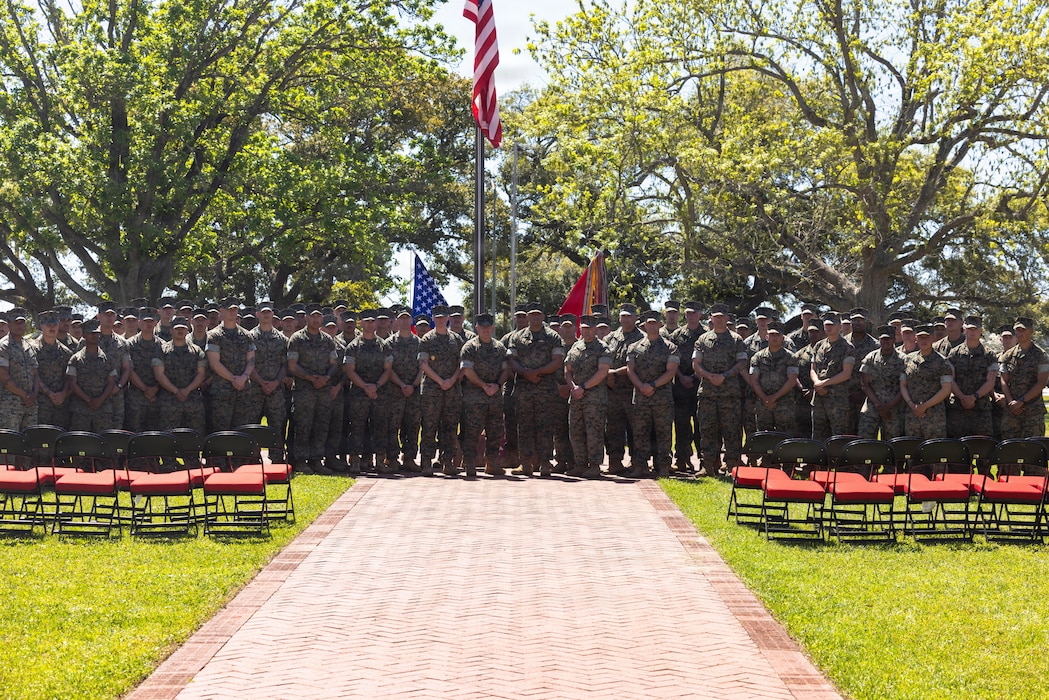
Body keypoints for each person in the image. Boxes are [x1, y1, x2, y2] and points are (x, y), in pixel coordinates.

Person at [507, 302, 565, 476]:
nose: (534, 317)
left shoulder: (553, 336)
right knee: (524, 427)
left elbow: (557, 360)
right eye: (531, 315)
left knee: (545, 427)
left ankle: (545, 463)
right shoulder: (517, 337)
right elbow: (511, 359)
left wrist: (537, 372)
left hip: (545, 389)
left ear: (543, 316)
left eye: (538, 314)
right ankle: (525, 463)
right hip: (524, 389)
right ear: (527, 317)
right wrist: (525, 373)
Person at [692, 303, 748, 478]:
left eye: (722, 317)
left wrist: (724, 375)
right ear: (711, 319)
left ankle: (732, 466)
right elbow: (696, 364)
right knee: (707, 430)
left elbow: (742, 363)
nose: (719, 319)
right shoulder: (702, 339)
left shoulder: (736, 339)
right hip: (708, 393)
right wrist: (710, 376)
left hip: (729, 393)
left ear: (727, 318)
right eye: (715, 316)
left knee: (731, 431)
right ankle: (708, 466)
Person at [625, 311, 679, 478]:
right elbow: (630, 370)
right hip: (641, 398)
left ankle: (663, 466)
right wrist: (641, 386)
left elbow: (671, 371)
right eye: (649, 323)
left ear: (660, 325)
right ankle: (640, 466)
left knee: (664, 433)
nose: (652, 326)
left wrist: (652, 385)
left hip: (662, 399)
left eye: (655, 323)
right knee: (640, 433)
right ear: (644, 325)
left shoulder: (671, 347)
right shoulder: (634, 347)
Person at [287, 304, 339, 473]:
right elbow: (293, 366)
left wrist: (326, 378)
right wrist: (310, 378)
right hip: (304, 390)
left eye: (318, 316)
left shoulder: (328, 340)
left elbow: (334, 364)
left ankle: (316, 460)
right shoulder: (297, 339)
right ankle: (301, 461)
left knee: (321, 425)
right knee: (303, 425)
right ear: (307, 318)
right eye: (313, 316)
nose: (316, 319)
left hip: (323, 390)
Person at [459, 313, 509, 477]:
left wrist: (497, 385)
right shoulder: (469, 347)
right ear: (477, 328)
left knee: (495, 431)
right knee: (472, 431)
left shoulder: (499, 348)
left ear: (493, 328)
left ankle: (492, 463)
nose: (486, 330)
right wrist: (483, 386)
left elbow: (505, 370)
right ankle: (470, 462)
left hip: (494, 397)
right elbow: (467, 370)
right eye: (482, 327)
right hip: (474, 397)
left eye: (488, 327)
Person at [344, 309, 393, 474]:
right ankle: (356, 461)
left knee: (380, 427)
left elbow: (388, 369)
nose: (370, 324)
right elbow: (350, 370)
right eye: (367, 321)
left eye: (373, 321)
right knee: (357, 428)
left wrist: (376, 386)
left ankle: (379, 461)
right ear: (361, 323)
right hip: (359, 393)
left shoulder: (383, 346)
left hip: (380, 393)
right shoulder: (353, 346)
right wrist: (366, 387)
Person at [418, 305, 464, 476]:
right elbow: (423, 364)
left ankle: (448, 461)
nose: (440, 320)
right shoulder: (427, 339)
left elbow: (462, 364)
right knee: (429, 426)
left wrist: (451, 380)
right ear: (433, 318)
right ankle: (427, 462)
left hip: (452, 390)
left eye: (443, 317)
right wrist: (440, 381)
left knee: (450, 427)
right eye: (437, 317)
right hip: (432, 390)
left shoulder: (456, 339)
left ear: (448, 318)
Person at [205, 298, 257, 432]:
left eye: (235, 309)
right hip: (222, 391)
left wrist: (244, 377)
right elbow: (214, 363)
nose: (233, 312)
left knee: (242, 431)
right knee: (221, 431)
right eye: (229, 309)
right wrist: (234, 379)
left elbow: (251, 360)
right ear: (221, 311)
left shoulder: (247, 335)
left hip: (243, 390)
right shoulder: (214, 335)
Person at [604, 303, 643, 474]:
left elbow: (638, 364)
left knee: (636, 429)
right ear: (619, 317)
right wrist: (608, 374)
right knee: (613, 428)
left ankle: (637, 463)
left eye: (629, 316)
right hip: (612, 392)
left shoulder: (642, 338)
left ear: (635, 318)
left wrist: (613, 373)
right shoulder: (610, 338)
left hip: (633, 391)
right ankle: (615, 462)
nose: (626, 319)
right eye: (623, 316)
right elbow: (602, 359)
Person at [247, 302, 289, 461]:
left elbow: (284, 364)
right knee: (252, 425)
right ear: (257, 314)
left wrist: (275, 382)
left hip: (276, 389)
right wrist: (261, 381)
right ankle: (252, 457)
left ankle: (277, 456)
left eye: (269, 312)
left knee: (277, 424)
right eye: (263, 312)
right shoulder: (249, 336)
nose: (266, 315)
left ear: (273, 315)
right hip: (255, 389)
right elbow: (248, 362)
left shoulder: (282, 339)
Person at [153, 316, 208, 435]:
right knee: (168, 439)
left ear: (187, 329)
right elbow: (159, 374)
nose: (180, 331)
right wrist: (176, 391)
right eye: (177, 328)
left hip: (192, 401)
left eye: (183, 328)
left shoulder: (197, 351)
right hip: (169, 401)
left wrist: (187, 390)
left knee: (193, 438)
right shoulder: (162, 350)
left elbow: (201, 374)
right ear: (171, 330)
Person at [945, 316, 997, 438]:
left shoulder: (989, 354)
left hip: (981, 409)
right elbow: (950, 379)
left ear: (981, 331)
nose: (972, 332)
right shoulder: (954, 353)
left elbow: (990, 382)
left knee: (983, 450)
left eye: (975, 329)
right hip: (958, 408)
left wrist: (974, 397)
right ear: (964, 330)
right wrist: (963, 397)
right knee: (957, 451)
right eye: (969, 329)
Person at [997, 317, 1049, 438]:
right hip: (1011, 412)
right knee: (1010, 450)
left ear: (1031, 331)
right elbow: (1004, 380)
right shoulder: (1008, 355)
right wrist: (1011, 402)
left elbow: (1041, 383)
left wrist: (1021, 401)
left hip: (1033, 411)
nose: (1019, 333)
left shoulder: (1041, 356)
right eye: (1017, 330)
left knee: (1033, 450)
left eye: (1023, 330)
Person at [900, 325, 954, 438]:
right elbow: (903, 385)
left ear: (933, 338)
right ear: (916, 339)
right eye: (921, 337)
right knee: (912, 450)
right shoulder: (907, 360)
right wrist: (911, 405)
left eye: (927, 337)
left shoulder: (942, 362)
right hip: (912, 414)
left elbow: (946, 389)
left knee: (933, 452)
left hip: (934, 415)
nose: (924, 341)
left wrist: (924, 406)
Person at [386, 310, 423, 471]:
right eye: (401, 318)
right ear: (396, 321)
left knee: (413, 425)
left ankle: (409, 458)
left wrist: (413, 386)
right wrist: (402, 385)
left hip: (414, 392)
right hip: (394, 391)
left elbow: (422, 367)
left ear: (411, 321)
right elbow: (387, 368)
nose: (404, 321)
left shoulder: (419, 343)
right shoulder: (389, 343)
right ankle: (392, 458)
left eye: (407, 318)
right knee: (393, 426)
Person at [669, 301, 704, 472]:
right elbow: (670, 360)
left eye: (694, 313)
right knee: (681, 425)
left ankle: (704, 460)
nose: (691, 316)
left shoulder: (706, 334)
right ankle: (681, 459)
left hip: (701, 386)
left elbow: (708, 361)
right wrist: (681, 377)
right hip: (680, 387)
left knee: (701, 425)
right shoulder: (676, 335)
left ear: (700, 315)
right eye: (688, 313)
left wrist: (695, 376)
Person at [747, 320, 798, 435]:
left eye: (777, 335)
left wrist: (774, 397)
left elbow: (792, 380)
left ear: (783, 338)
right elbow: (754, 380)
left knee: (785, 437)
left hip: (784, 403)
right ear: (767, 337)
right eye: (772, 335)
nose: (774, 338)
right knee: (765, 437)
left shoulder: (791, 357)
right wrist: (765, 398)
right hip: (763, 404)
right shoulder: (757, 357)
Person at [809, 312, 855, 440]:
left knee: (838, 437)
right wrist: (817, 383)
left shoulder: (847, 347)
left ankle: (836, 460)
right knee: (817, 436)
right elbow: (813, 369)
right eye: (826, 325)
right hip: (818, 399)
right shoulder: (819, 345)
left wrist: (823, 384)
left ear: (840, 326)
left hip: (837, 401)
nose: (828, 328)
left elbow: (846, 374)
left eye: (832, 325)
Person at [67, 319, 119, 431]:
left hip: (103, 409)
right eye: (91, 333)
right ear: (85, 335)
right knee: (81, 444)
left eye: (96, 333)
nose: (94, 336)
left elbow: (111, 382)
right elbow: (72, 383)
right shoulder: (75, 359)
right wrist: (88, 400)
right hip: (81, 409)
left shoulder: (108, 359)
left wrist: (100, 399)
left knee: (103, 442)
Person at [857, 325, 904, 440]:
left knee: (893, 440)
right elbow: (865, 384)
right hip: (872, 404)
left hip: (894, 405)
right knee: (864, 436)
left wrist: (889, 406)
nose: (885, 341)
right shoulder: (870, 358)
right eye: (883, 339)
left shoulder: (903, 360)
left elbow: (905, 387)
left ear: (894, 339)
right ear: (879, 340)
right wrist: (878, 405)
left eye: (888, 339)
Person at [124, 307, 163, 432]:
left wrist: (155, 389)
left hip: (158, 395)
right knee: (134, 433)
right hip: (136, 396)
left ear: (156, 323)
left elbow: (167, 371)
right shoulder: (129, 345)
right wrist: (145, 389)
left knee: (155, 434)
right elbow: (129, 370)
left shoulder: (163, 346)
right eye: (145, 321)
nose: (148, 324)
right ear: (139, 323)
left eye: (151, 321)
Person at [0, 307, 39, 431]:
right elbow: (4, 377)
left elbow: (36, 374)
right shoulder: (4, 346)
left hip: (31, 405)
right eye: (16, 322)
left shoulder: (29, 346)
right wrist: (24, 395)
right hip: (11, 406)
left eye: (22, 322)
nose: (20, 325)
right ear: (9, 325)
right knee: (11, 444)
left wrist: (33, 395)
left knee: (30, 443)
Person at [34, 310, 73, 429]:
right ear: (41, 326)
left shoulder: (66, 352)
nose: (52, 327)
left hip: (61, 405)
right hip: (41, 404)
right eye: (48, 324)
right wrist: (49, 393)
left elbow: (69, 377)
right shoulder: (31, 349)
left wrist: (63, 393)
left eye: (54, 324)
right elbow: (33, 375)